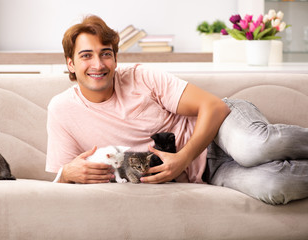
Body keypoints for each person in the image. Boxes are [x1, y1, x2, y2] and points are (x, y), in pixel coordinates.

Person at [46, 15, 308, 205]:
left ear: (115, 59)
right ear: (70, 64)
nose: (98, 64)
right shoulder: (61, 109)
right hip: (209, 173)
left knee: (254, 148)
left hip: (219, 129)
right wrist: (66, 174)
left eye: (105, 54)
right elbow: (60, 182)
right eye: (86, 55)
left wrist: (182, 159)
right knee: (274, 186)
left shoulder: (141, 77)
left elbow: (213, 106)